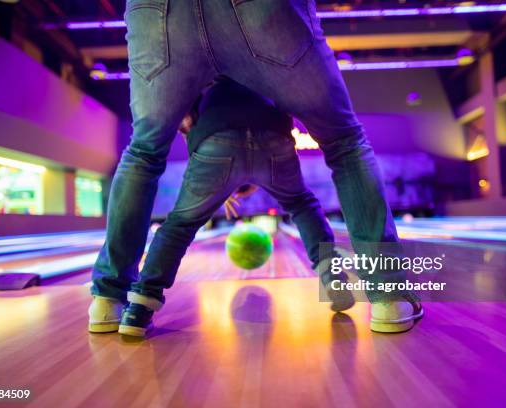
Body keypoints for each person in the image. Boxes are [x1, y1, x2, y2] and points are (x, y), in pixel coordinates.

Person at [89, 0, 422, 335]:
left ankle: (112, 299)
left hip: (159, 11)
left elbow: (215, 142)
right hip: (273, 125)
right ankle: (386, 294)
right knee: (343, 144)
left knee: (145, 156)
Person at [103, 79, 355, 336]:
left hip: (215, 138)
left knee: (180, 225)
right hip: (273, 135)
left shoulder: (201, 65)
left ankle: (139, 307)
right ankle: (333, 277)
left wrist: (223, 183)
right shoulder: (261, 57)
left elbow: (190, 122)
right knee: (302, 204)